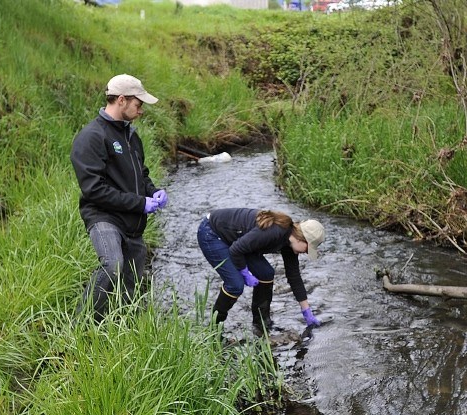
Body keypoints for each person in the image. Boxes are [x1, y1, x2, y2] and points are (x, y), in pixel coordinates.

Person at [71, 74, 167, 321]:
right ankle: (80, 326)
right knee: (113, 266)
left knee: (131, 290)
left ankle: (121, 334)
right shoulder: (92, 137)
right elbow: (94, 190)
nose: (141, 110)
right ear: (121, 100)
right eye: (138, 104)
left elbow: (140, 174)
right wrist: (140, 203)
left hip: (133, 223)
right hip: (104, 218)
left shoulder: (131, 136)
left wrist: (152, 191)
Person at [198, 208, 326, 336]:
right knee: (235, 285)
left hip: (238, 240)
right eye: (308, 248)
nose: (306, 252)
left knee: (266, 273)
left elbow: (294, 276)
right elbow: (236, 250)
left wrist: (306, 309)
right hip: (212, 233)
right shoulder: (275, 231)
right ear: (301, 238)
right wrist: (244, 272)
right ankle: (213, 331)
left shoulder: (289, 244)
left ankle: (261, 324)